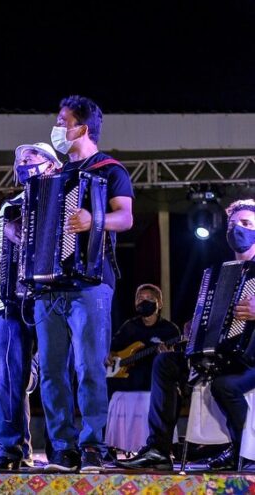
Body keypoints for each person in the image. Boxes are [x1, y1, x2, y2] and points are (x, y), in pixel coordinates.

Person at [117, 199, 255, 471]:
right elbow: (213, 318)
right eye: (232, 224)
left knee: (224, 385)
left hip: (250, 360)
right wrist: (198, 328)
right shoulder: (223, 272)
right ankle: (159, 449)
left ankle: (243, 452)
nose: (237, 229)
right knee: (165, 363)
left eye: (246, 224)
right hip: (222, 356)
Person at [36, 95, 134, 472]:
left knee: (89, 366)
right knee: (51, 371)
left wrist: (95, 220)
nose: (57, 128)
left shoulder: (110, 170)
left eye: (62, 121)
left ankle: (92, 445)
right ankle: (63, 447)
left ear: (81, 128)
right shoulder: (54, 175)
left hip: (91, 283)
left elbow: (125, 218)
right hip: (49, 285)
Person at [0, 142, 62, 470]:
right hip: (11, 301)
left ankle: (63, 450)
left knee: (55, 376)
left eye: (30, 157)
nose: (23, 163)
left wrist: (26, 235)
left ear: (52, 165)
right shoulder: (10, 206)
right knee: (7, 376)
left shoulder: (64, 196)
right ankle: (11, 449)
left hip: (52, 300)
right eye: (19, 160)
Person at [107, 284, 179, 396]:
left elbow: (177, 361)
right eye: (141, 299)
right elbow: (113, 347)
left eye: (150, 299)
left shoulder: (170, 329)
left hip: (156, 386)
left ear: (160, 303)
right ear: (136, 304)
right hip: (129, 387)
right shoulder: (130, 326)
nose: (144, 302)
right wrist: (110, 354)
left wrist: (167, 357)